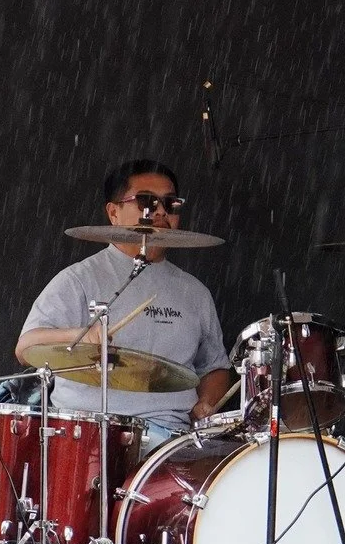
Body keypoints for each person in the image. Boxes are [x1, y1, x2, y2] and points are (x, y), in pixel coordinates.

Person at [18, 159, 232, 447]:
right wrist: (81, 338)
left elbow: (215, 367)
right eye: (146, 201)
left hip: (172, 442)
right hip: (88, 436)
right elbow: (26, 348)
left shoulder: (195, 292)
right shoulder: (78, 280)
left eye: (170, 204)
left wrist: (206, 403)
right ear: (114, 212)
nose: (159, 211)